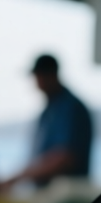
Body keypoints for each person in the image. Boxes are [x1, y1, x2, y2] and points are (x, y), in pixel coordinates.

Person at [9, 54, 93, 186]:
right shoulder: (49, 110)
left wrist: (19, 176)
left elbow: (65, 158)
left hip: (65, 194)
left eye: (39, 75)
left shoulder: (70, 108)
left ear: (51, 75)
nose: (36, 81)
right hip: (46, 191)